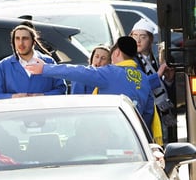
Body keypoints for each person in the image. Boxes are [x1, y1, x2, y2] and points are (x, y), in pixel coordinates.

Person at [25, 36, 161, 132]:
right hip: (133, 138)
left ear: (117, 52)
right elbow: (148, 114)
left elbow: (78, 72)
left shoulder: (109, 73)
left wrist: (45, 68)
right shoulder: (143, 78)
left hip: (106, 135)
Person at [0, 24, 68, 100]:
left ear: (33, 42)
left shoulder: (49, 62)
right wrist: (13, 97)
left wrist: (43, 96)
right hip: (17, 111)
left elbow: (61, 90)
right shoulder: (4, 65)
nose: (21, 43)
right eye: (17, 38)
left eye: (25, 38)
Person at [131, 17, 176, 143]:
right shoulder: (132, 60)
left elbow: (161, 87)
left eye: (143, 37)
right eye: (135, 36)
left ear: (150, 39)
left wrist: (168, 79)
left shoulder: (153, 59)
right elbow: (140, 84)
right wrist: (159, 73)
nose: (138, 41)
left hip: (157, 110)